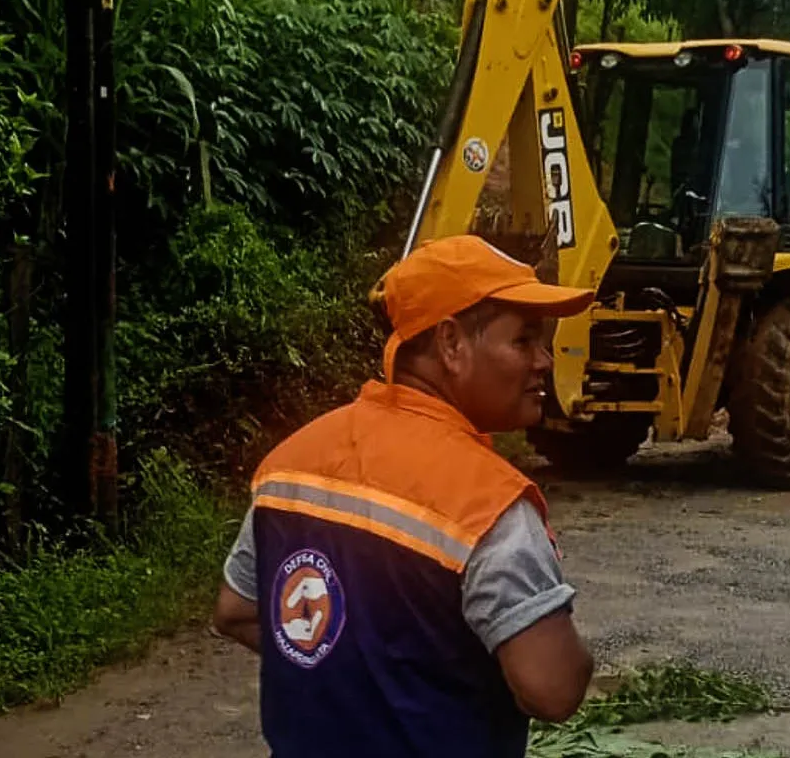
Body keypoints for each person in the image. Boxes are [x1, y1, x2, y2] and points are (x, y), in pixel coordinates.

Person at [212, 235, 596, 758]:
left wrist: (349, 678)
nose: (544, 362)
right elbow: (553, 689)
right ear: (451, 344)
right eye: (524, 340)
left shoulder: (290, 462)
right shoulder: (489, 503)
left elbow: (237, 609)